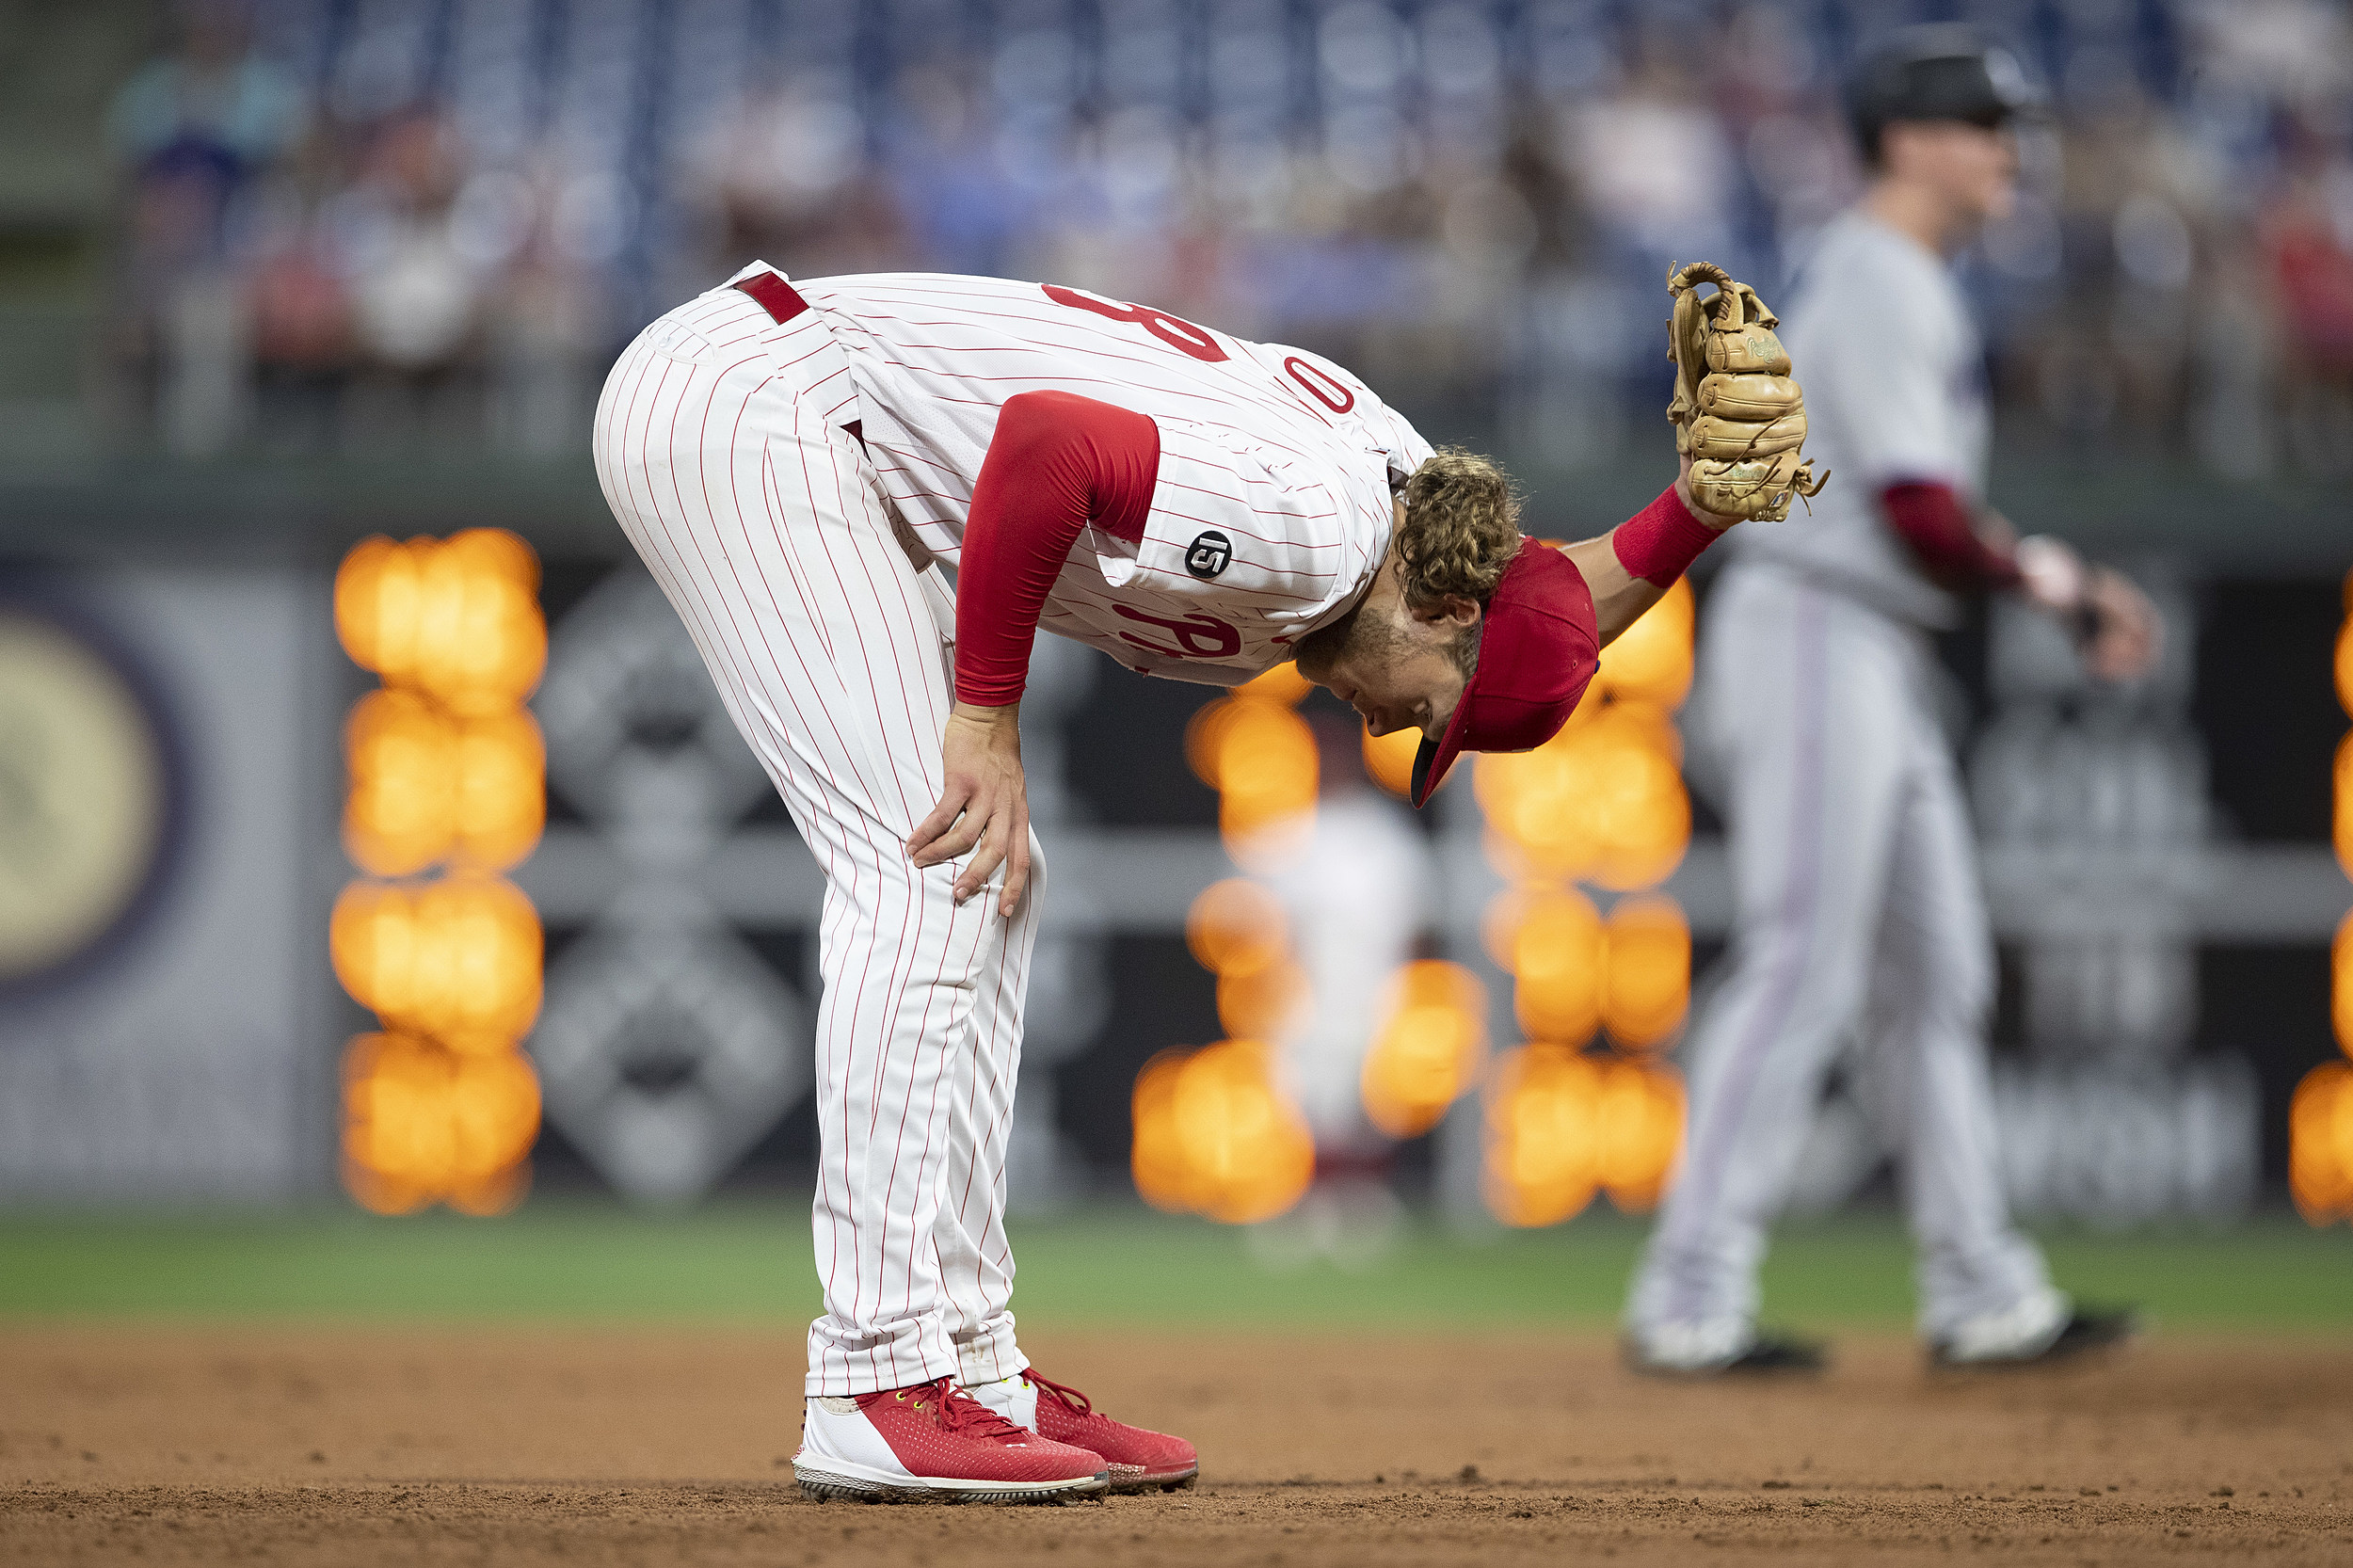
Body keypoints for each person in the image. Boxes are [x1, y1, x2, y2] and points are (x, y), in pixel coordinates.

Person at [594, 265, 1746, 1500]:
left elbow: (1545, 601)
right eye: (1430, 713)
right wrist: (984, 718)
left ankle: (970, 1366)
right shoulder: (1314, 529)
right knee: (923, 853)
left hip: (828, 427)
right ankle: (875, 1376)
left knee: (987, 876)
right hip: (761, 401)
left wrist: (1695, 511)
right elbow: (1048, 446)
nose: (1388, 730)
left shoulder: (1413, 523)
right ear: (1443, 607)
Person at [1622, 27, 2162, 1377]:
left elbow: (1926, 508)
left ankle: (1981, 1286)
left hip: (1872, 643)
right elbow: (1922, 515)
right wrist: (2061, 579)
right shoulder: (1875, 269)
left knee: (1936, 972)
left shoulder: (1893, 273)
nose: (2005, 153)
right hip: (1815, 627)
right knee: (1806, 955)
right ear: (1910, 139)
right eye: (1983, 127)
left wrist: (2051, 574)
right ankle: (1688, 1293)